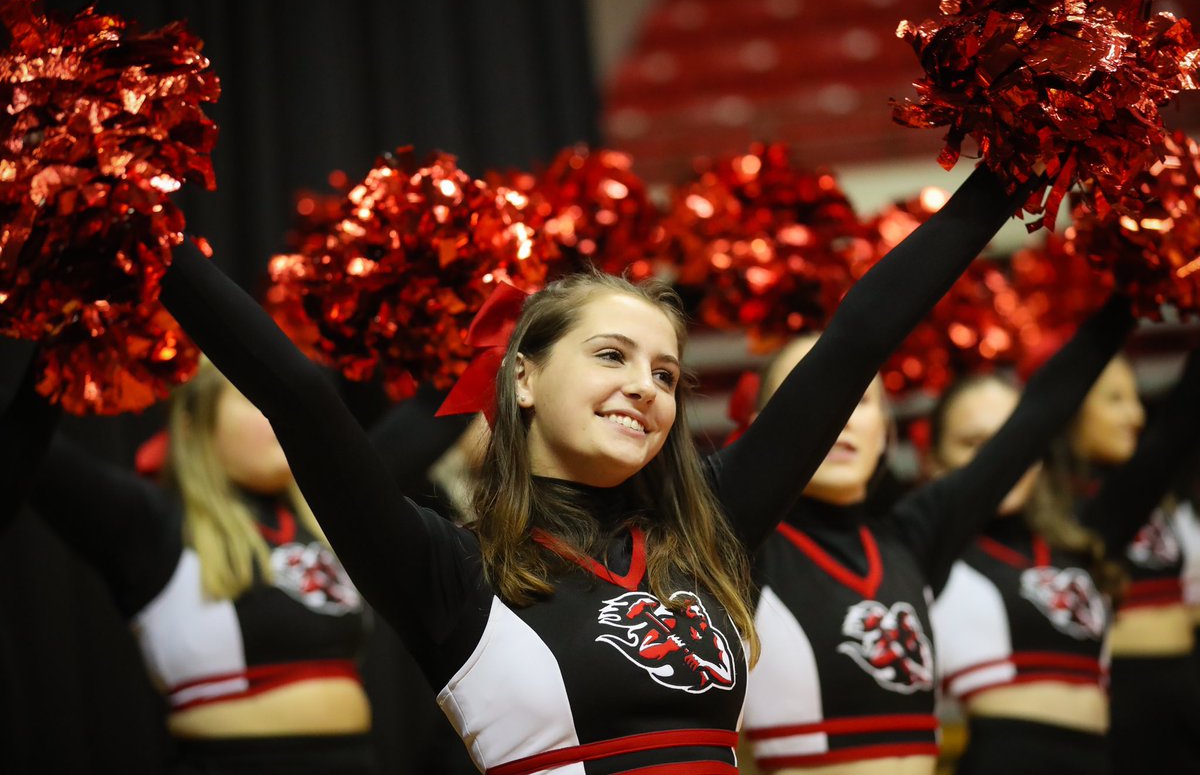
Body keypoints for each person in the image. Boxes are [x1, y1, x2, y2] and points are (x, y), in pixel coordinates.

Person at [134, 163, 1030, 773]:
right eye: (611, 356)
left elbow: (857, 339)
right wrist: (129, 211)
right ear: (521, 375)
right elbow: (298, 396)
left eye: (667, 373)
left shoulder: (704, 530)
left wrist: (1005, 176)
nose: (644, 387)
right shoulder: (449, 571)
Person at [1, 351, 473, 775]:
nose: (280, 413)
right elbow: (26, 450)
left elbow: (443, 404)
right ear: (193, 425)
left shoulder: (330, 510)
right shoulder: (151, 525)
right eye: (254, 400)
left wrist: (500, 309)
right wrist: (59, 340)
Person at [738, 295, 1134, 775]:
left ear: (886, 430)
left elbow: (1039, 415)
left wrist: (1133, 292)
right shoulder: (738, 545)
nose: (835, 414)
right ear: (759, 432)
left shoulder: (912, 539)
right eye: (807, 395)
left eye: (858, 399)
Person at [929, 346, 1200, 775]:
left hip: (1106, 756)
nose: (999, 464)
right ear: (935, 463)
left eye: (1010, 442)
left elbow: (1177, 428)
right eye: (973, 444)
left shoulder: (1080, 532)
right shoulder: (928, 548)